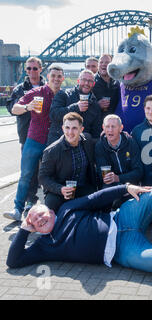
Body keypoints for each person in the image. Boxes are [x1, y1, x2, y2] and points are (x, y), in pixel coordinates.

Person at [6, 184, 152, 274]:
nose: (39, 219)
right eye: (34, 220)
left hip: (121, 218)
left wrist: (126, 188)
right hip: (120, 250)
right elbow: (13, 261)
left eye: (40, 213)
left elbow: (96, 198)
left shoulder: (67, 209)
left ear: (51, 211)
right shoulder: (43, 246)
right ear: (33, 227)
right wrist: (24, 229)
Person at [3, 65, 65, 222]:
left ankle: (51, 210)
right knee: (26, 175)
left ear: (63, 79)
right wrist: (27, 107)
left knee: (53, 176)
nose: (56, 79)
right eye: (53, 76)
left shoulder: (65, 95)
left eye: (59, 76)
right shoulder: (36, 92)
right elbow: (15, 108)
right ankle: (17, 209)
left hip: (54, 142)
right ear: (48, 76)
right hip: (35, 139)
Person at [6, 57, 45, 214]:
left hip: (45, 136)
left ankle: (45, 205)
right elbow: (12, 108)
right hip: (27, 136)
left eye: (34, 68)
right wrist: (27, 107)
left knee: (46, 172)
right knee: (28, 171)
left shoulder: (47, 87)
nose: (31, 71)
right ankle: (28, 202)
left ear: (40, 69)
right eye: (28, 69)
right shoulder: (20, 89)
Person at [39, 112, 97, 213]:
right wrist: (60, 189)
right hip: (60, 190)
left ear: (81, 129)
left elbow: (102, 141)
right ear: (62, 128)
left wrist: (119, 134)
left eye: (74, 128)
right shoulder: (52, 151)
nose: (70, 132)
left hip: (83, 188)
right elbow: (43, 178)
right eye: (67, 128)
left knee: (98, 202)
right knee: (51, 205)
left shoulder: (87, 140)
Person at [48, 69, 102, 145]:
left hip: (80, 147)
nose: (86, 83)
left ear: (93, 84)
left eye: (90, 81)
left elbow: (96, 132)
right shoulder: (63, 94)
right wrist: (76, 107)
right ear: (78, 81)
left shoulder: (95, 105)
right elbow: (53, 115)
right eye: (84, 80)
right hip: (59, 144)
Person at [95, 114, 143, 191]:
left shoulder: (131, 142)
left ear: (121, 128)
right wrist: (119, 185)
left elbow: (138, 172)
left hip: (132, 184)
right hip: (112, 187)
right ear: (103, 128)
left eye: (113, 126)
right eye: (107, 126)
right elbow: (103, 176)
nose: (110, 130)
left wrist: (119, 178)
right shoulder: (100, 146)